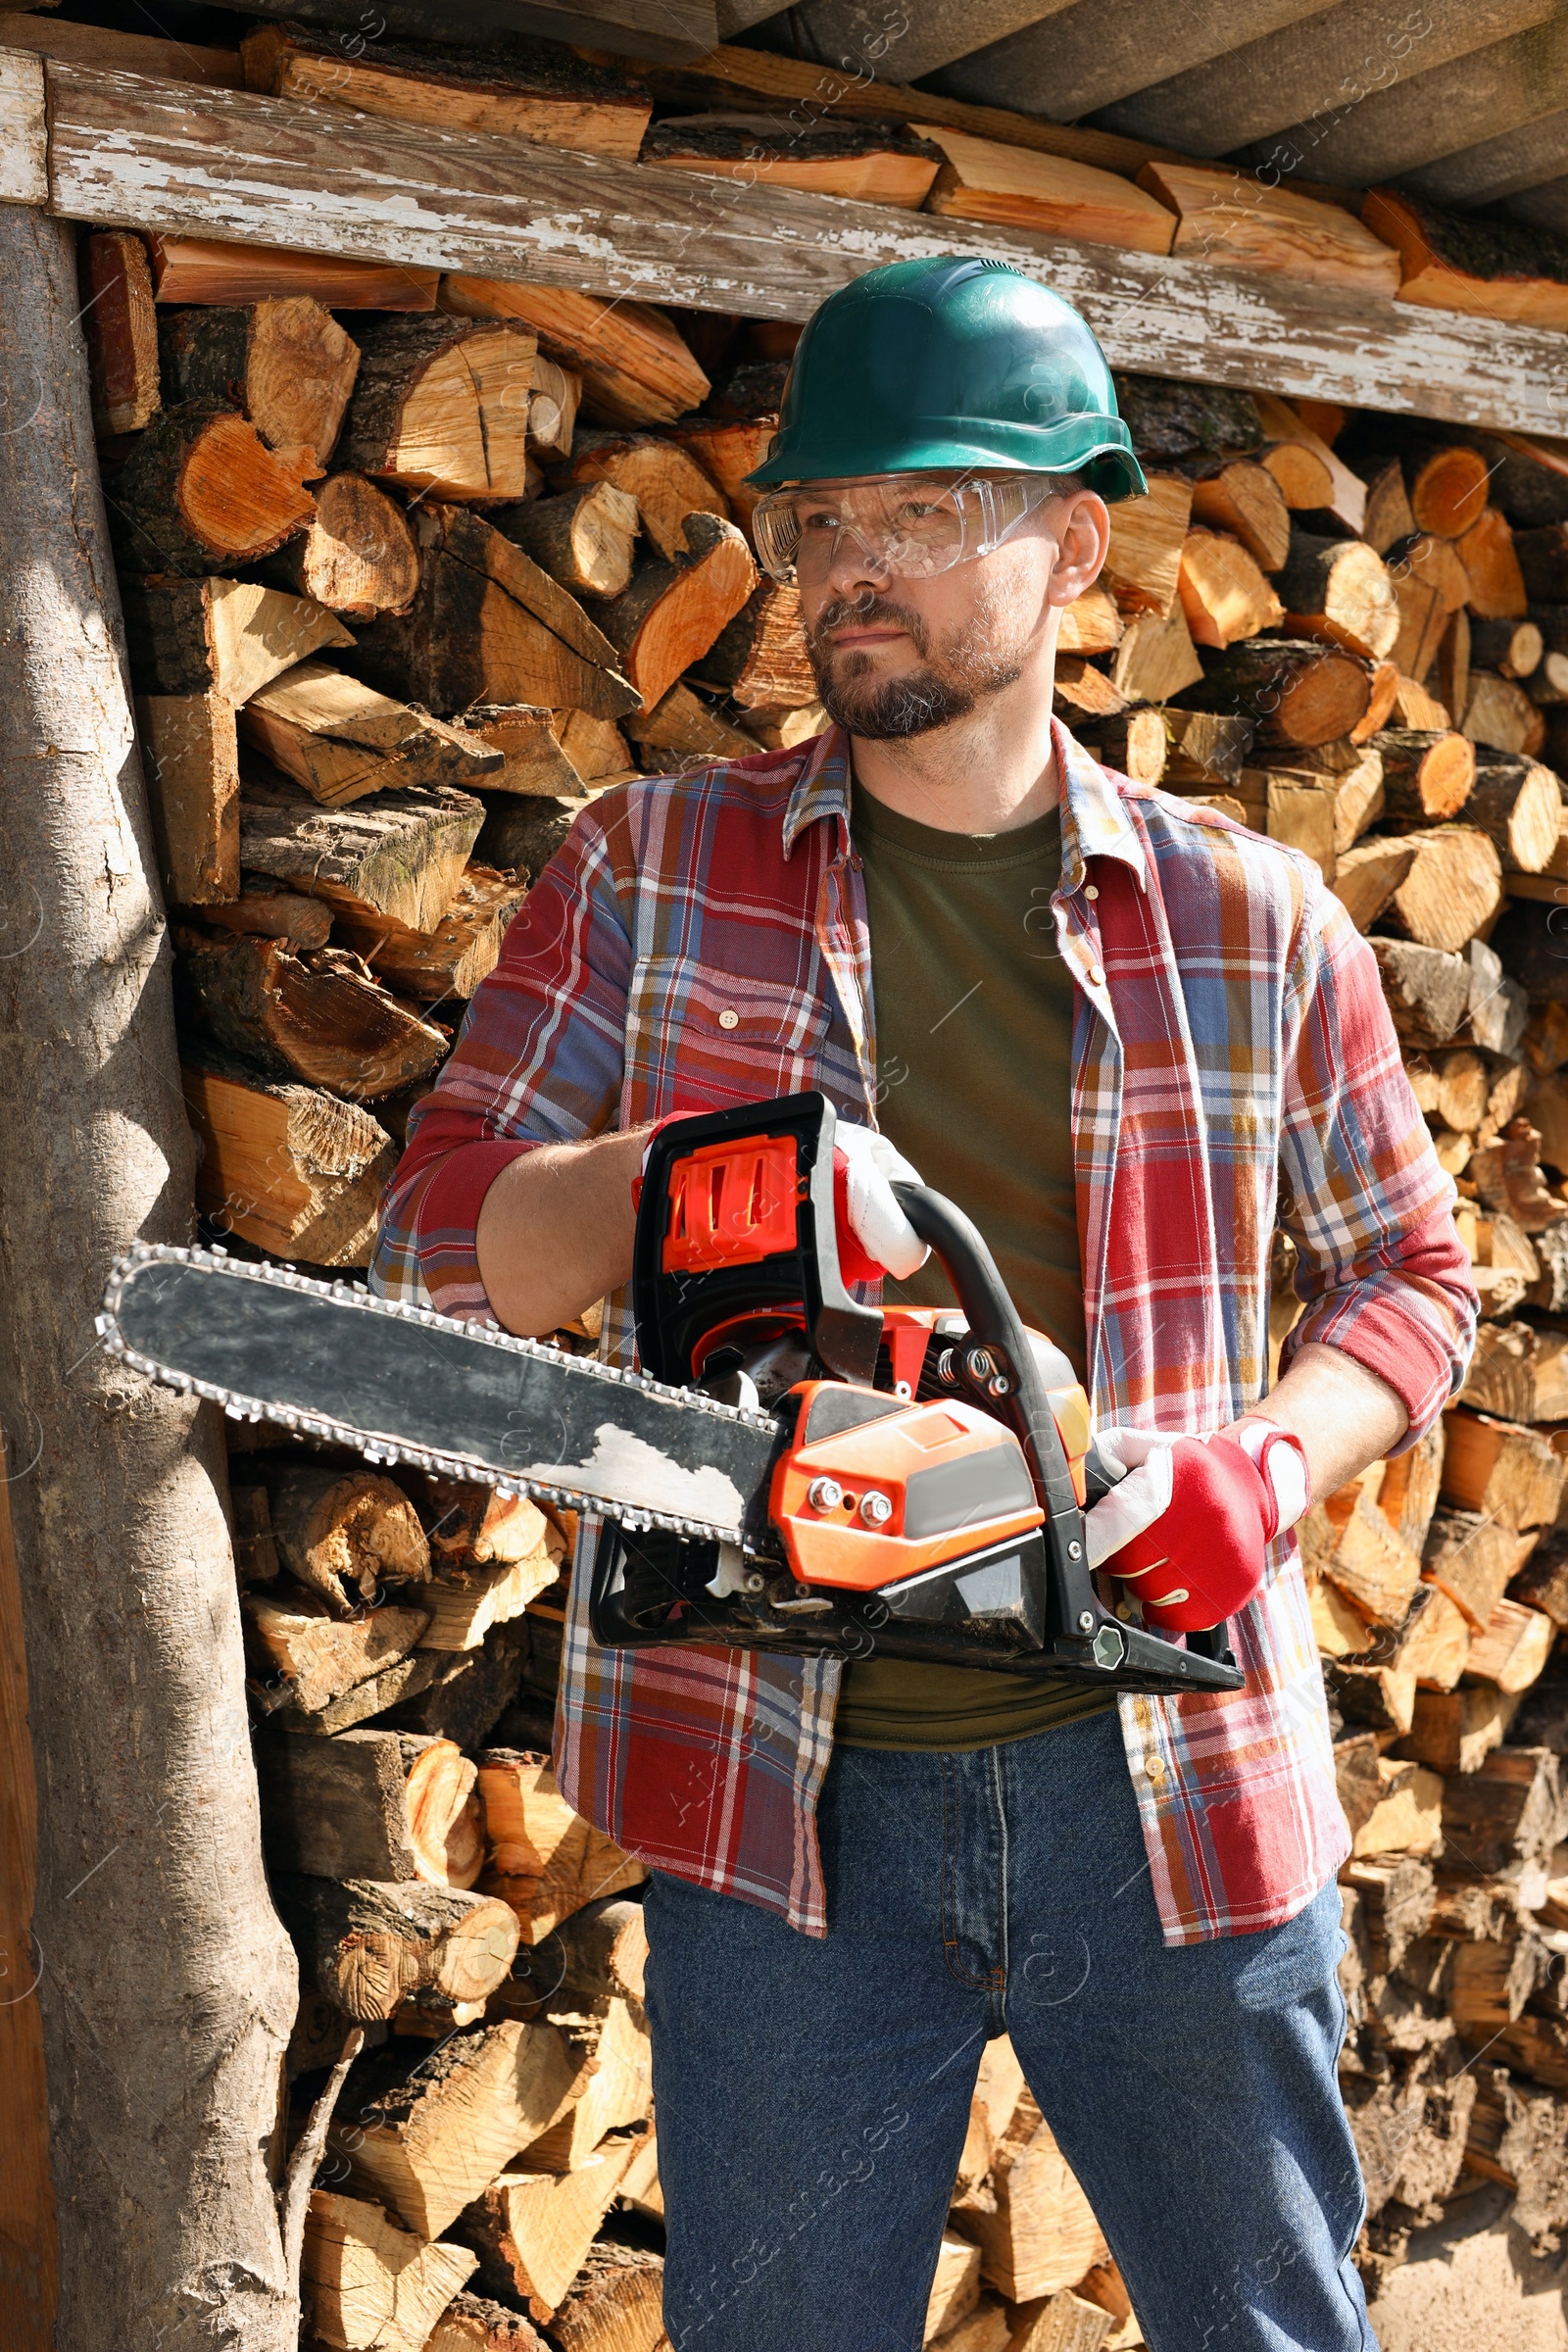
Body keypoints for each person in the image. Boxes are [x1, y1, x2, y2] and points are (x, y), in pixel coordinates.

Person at [373, 257, 1475, 2351]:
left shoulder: (1252, 919)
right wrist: (708, 1183)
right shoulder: (645, 868)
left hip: (1166, 1784)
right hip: (776, 1797)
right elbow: (428, 1249)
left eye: (912, 512)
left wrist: (1266, 1460)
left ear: (1073, 543)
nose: (843, 567)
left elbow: (1418, 1278)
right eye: (815, 522)